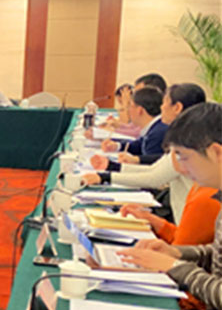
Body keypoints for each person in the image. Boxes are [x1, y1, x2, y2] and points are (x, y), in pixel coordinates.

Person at [119, 103, 222, 310]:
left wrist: (175, 267)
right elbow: (216, 252)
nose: (182, 168)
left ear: (216, 152)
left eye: (185, 157)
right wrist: (178, 252)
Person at [84, 83, 207, 221]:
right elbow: (154, 169)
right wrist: (112, 167)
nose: (161, 107)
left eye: (165, 102)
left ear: (177, 107)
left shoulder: (188, 143)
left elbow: (153, 178)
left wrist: (105, 177)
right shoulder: (187, 137)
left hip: (192, 219)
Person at [98, 86, 167, 168]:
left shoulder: (157, 133)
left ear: (139, 110)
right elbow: (139, 145)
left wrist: (113, 166)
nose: (128, 110)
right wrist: (117, 146)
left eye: (130, 106)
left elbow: (150, 168)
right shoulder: (154, 127)